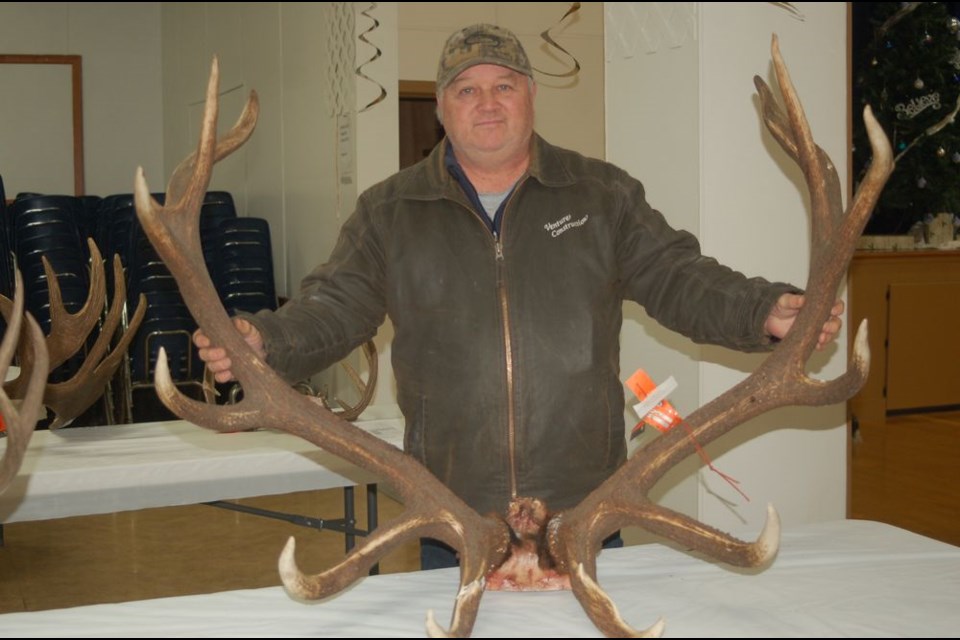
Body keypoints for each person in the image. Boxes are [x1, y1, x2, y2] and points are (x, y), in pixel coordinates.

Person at [194, 23, 844, 570]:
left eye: (504, 86)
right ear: (443, 107)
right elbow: (334, 308)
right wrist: (266, 343)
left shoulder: (600, 195)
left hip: (583, 509)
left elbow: (680, 276)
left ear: (531, 96)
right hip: (454, 513)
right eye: (467, 90)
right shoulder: (391, 212)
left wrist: (764, 308)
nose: (488, 103)